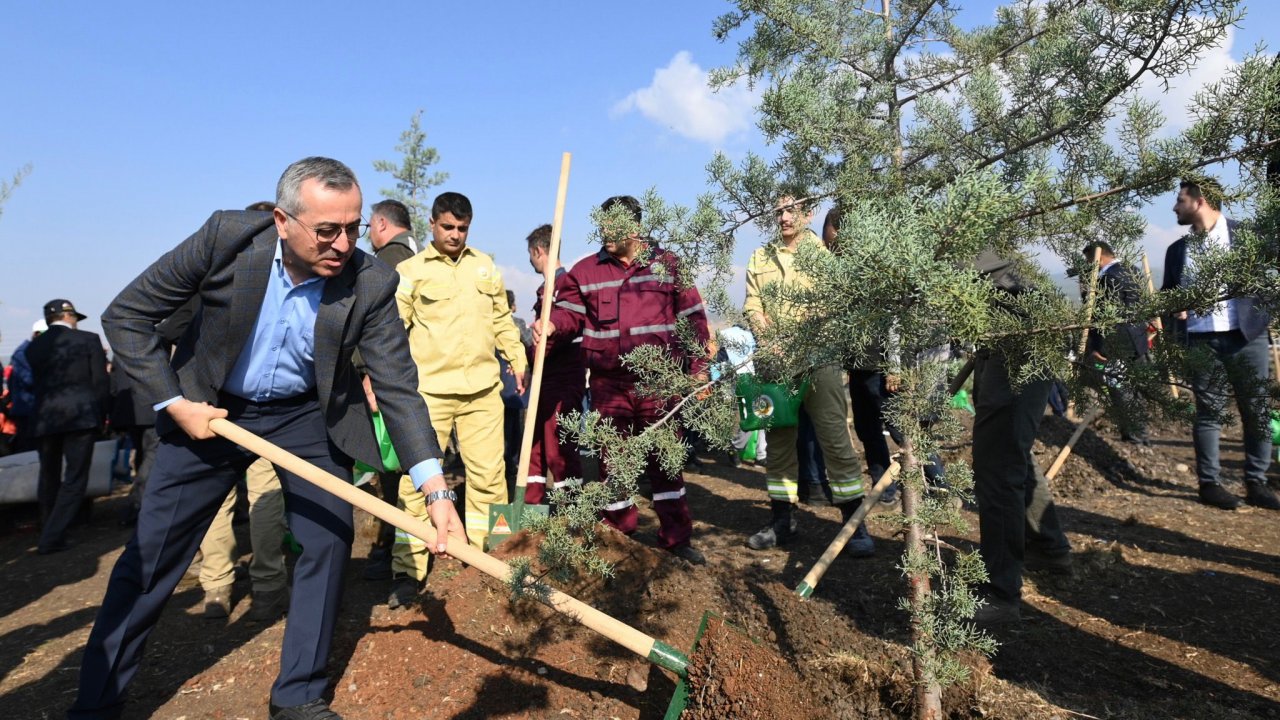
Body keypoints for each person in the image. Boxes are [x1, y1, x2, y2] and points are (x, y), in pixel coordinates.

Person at [71, 157, 464, 720]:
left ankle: (299, 694)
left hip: (305, 416)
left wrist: (435, 489)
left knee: (329, 539)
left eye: (353, 228)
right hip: (207, 407)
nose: (344, 243)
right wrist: (176, 402)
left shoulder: (372, 280)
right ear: (283, 221)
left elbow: (399, 388)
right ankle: (97, 701)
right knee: (152, 556)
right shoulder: (228, 239)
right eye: (327, 230)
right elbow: (127, 317)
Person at [537, 195, 709, 565]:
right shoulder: (585, 273)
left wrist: (698, 369)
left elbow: (693, 317)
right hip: (608, 386)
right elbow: (568, 315)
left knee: (666, 462)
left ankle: (677, 541)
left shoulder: (669, 266)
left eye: (612, 226)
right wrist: (551, 324)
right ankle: (619, 536)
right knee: (612, 464)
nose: (604, 233)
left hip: (659, 385)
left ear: (634, 228)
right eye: (601, 225)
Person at [392, 191, 526, 604]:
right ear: (431, 224)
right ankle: (407, 568)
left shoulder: (485, 266)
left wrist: (517, 357)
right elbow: (393, 330)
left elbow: (502, 320)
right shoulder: (409, 271)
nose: (455, 235)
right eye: (447, 227)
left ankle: (494, 557)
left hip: (483, 391)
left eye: (462, 228)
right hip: (428, 394)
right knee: (417, 482)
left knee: (490, 477)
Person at [743, 197, 867, 553]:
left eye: (791, 210)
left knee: (835, 442)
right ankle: (782, 522)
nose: (783, 217)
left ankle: (854, 526)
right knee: (780, 445)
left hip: (820, 365)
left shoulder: (824, 256)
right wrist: (769, 339)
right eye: (778, 211)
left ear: (808, 213)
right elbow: (752, 305)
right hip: (776, 366)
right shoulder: (759, 256)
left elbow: (832, 307)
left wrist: (799, 341)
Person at [1163, 178, 1279, 510]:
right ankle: (1210, 484)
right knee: (1208, 412)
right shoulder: (1177, 251)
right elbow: (1168, 297)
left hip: (1246, 338)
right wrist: (1176, 311)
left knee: (1255, 410)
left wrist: (1262, 317)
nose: (1174, 207)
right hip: (1202, 342)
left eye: (1180, 199)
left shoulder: (1246, 237)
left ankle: (1257, 482)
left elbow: (1269, 281)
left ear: (1200, 201)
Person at [971, 250, 1073, 626]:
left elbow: (930, 322)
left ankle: (1001, 593)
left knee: (997, 465)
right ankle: (1050, 548)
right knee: (1012, 453)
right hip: (1004, 337)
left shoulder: (932, 238)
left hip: (1017, 341)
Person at [355, 198, 419, 583]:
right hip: (414, 379)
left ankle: (388, 550)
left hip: (387, 380)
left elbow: (379, 327)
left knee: (388, 469)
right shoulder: (419, 255)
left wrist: (368, 373)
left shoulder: (389, 262)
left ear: (380, 224)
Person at [27, 299, 110, 555]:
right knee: (75, 477)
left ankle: (47, 526)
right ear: (69, 315)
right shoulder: (88, 340)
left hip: (45, 417)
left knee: (48, 474)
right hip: (80, 416)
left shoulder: (34, 347)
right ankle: (53, 536)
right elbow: (100, 382)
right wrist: (102, 415)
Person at [523, 224, 586, 506]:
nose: (530, 261)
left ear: (538, 251)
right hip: (542, 379)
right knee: (534, 447)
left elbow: (570, 319)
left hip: (562, 381)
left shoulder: (566, 284)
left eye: (530, 254)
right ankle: (532, 509)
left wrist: (552, 325)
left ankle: (570, 511)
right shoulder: (544, 290)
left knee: (560, 448)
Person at [1080, 241, 1150, 444]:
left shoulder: (1108, 278)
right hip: (1136, 340)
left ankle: (1134, 437)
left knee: (1120, 389)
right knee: (1135, 390)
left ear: (1098, 259)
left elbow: (1106, 318)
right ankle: (1141, 434)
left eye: (1088, 261)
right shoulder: (1132, 270)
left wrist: (1100, 349)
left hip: (1116, 345)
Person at [5, 319, 46, 453]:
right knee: (29, 450)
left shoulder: (30, 351)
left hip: (33, 408)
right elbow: (29, 380)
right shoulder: (24, 353)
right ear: (37, 334)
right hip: (27, 409)